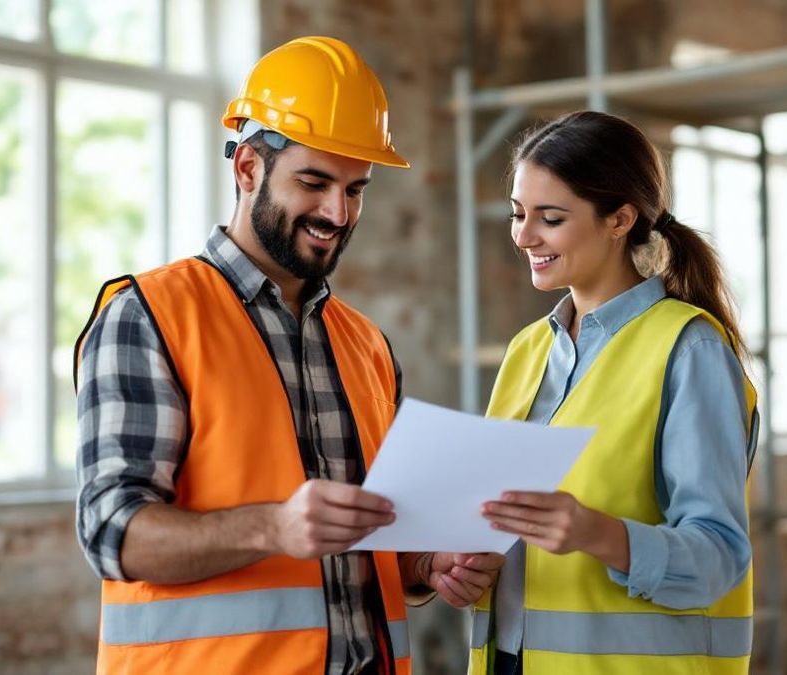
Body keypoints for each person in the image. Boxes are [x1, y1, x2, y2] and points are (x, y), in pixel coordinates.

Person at [73, 36, 502, 675]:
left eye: (356, 189)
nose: (337, 212)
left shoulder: (366, 345)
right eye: (313, 182)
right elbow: (113, 532)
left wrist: (424, 565)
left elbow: (381, 540)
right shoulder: (150, 316)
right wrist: (272, 529)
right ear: (248, 168)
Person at [473, 111, 759, 675]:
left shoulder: (689, 349)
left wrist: (595, 533)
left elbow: (720, 557)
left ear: (619, 219)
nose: (524, 236)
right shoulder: (527, 350)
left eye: (550, 218)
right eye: (518, 214)